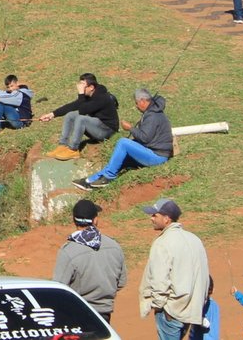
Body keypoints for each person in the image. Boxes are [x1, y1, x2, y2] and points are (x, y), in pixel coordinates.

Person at [76, 87, 174, 190]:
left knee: (123, 142)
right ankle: (90, 181)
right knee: (120, 160)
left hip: (157, 157)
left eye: (136, 103)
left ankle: (108, 177)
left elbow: (145, 138)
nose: (136, 106)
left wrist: (130, 128)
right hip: (153, 152)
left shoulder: (153, 116)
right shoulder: (153, 112)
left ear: (143, 101)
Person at [140, 197, 209, 340]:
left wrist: (158, 305)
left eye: (155, 215)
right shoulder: (194, 239)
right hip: (190, 310)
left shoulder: (162, 243)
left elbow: (160, 280)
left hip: (170, 312)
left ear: (167, 219)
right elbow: (203, 276)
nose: (151, 218)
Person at [53, 199, 128, 324]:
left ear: (74, 220)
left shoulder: (68, 250)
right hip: (104, 316)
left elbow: (59, 288)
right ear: (95, 220)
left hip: (77, 314)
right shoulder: (113, 246)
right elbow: (121, 282)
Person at [37, 73, 119, 160]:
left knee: (81, 118)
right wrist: (52, 114)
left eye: (83, 85)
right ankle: (63, 146)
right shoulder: (89, 95)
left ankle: (73, 150)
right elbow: (73, 106)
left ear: (91, 87)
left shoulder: (102, 97)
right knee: (70, 115)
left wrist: (81, 93)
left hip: (106, 131)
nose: (80, 88)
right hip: (96, 125)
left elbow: (83, 110)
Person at [0, 74, 35, 143]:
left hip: (21, 122)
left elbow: (2, 98)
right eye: (8, 87)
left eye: (12, 86)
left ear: (17, 83)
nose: (10, 89)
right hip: (14, 117)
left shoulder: (20, 94)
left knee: (0, 102)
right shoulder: (12, 92)